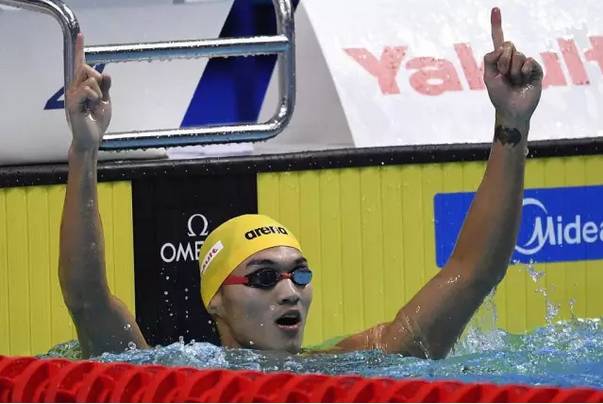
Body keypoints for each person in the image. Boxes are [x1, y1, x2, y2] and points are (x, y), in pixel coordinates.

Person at [60, 7, 543, 359]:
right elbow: (87, 299)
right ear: (216, 300)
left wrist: (512, 123)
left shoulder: (349, 366)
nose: (290, 291)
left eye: (300, 274)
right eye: (264, 277)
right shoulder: (178, 377)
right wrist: (84, 149)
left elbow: (472, 273)